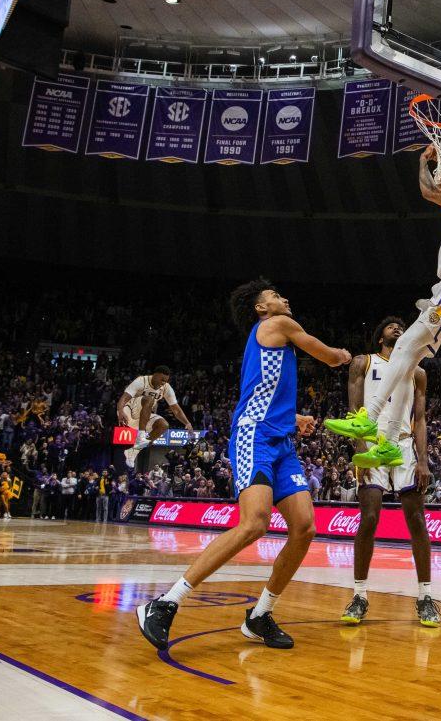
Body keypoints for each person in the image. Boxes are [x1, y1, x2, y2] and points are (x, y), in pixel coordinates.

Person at [137, 278, 351, 652]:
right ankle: (165, 602)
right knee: (254, 523)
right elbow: (330, 357)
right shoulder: (277, 324)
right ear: (261, 308)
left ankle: (260, 615)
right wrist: (352, 357)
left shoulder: (272, 339)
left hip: (280, 440)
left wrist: (293, 417)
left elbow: (263, 389)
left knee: (304, 528)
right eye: (274, 296)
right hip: (254, 436)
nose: (284, 298)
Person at [325, 145, 441, 442]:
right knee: (408, 363)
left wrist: (422, 161)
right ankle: (390, 442)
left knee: (404, 344)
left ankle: (368, 417)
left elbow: (430, 192)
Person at [338, 317, 439, 628]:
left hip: (405, 446)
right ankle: (359, 595)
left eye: (401, 325)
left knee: (417, 520)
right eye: (391, 325)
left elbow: (419, 419)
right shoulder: (362, 362)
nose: (398, 327)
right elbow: (355, 412)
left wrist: (423, 459)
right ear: (379, 334)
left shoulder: (417, 371)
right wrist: (359, 451)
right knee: (369, 517)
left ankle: (425, 596)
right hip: (371, 443)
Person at [117, 366, 195, 471]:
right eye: (162, 379)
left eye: (166, 380)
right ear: (155, 375)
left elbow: (176, 410)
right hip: (127, 411)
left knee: (164, 425)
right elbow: (124, 398)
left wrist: (188, 423)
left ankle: (133, 451)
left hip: (142, 419)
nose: (163, 382)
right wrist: (120, 411)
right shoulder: (141, 380)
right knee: (149, 399)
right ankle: (141, 435)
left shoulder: (166, 388)